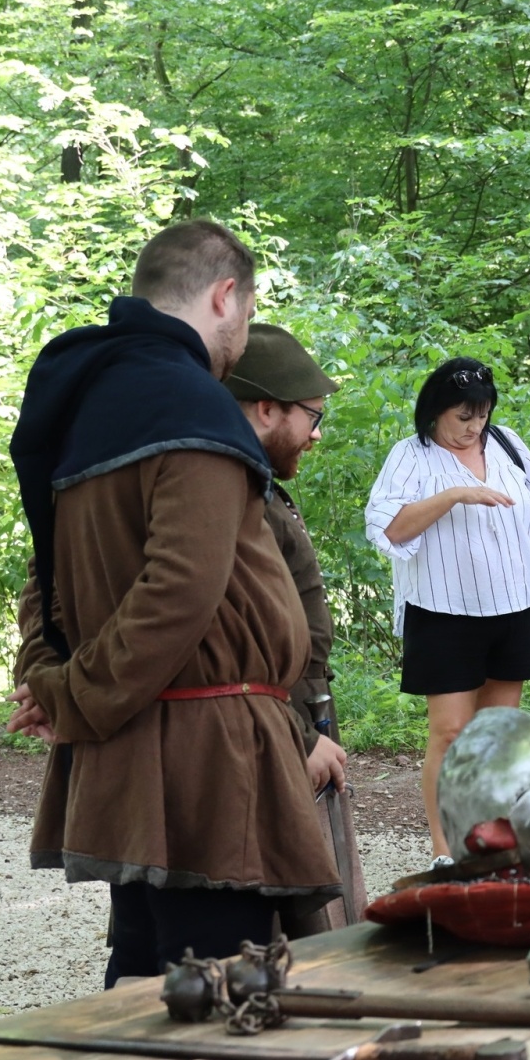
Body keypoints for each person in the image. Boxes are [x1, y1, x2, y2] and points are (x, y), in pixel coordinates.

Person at [5, 219, 341, 986]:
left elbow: (45, 582)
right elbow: (178, 593)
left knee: (146, 983)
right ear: (225, 295)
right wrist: (71, 696)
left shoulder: (87, 394)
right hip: (207, 761)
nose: (242, 339)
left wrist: (51, 677)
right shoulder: (189, 402)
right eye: (248, 317)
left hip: (149, 744)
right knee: (215, 996)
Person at [365, 357, 530, 859]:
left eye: (480, 415)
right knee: (451, 732)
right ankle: (444, 849)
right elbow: (390, 527)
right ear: (435, 411)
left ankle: (486, 843)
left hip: (514, 605)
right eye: (463, 417)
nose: (473, 427)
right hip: (443, 610)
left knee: (496, 737)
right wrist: (456, 493)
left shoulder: (505, 443)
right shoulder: (410, 455)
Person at [224, 323, 368, 931]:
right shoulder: (230, 491)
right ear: (265, 408)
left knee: (324, 910)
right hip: (269, 731)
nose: (316, 434)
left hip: (300, 716)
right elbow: (233, 643)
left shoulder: (259, 486)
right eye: (311, 416)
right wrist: (299, 739)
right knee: (287, 924)